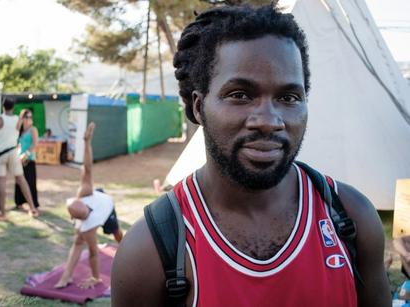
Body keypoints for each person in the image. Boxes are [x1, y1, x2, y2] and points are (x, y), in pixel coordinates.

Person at [111, 4, 390, 307]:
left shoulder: (351, 218)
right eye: (240, 95)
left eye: (288, 97)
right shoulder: (150, 251)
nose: (269, 120)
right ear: (197, 107)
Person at [55, 122, 123, 289]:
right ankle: (67, 275)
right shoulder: (85, 227)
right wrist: (96, 277)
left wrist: (87, 142)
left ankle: (126, 248)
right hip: (95, 209)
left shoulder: (84, 192)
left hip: (106, 204)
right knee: (77, 241)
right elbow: (93, 253)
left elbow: (87, 167)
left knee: (116, 232)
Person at [0, 98, 39, 220]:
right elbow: (10, 127)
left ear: (3, 106)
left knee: (1, 184)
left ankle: (2, 213)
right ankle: (33, 209)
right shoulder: (18, 120)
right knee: (22, 180)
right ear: (13, 107)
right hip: (13, 153)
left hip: (0, 155)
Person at [14, 109, 40, 210]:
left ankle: (33, 205)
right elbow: (16, 141)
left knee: (30, 182)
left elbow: (35, 143)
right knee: (18, 182)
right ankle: (19, 203)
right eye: (27, 117)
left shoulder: (33, 129)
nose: (29, 119)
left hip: (29, 159)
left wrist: (26, 154)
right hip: (19, 159)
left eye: (30, 117)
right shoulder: (21, 130)